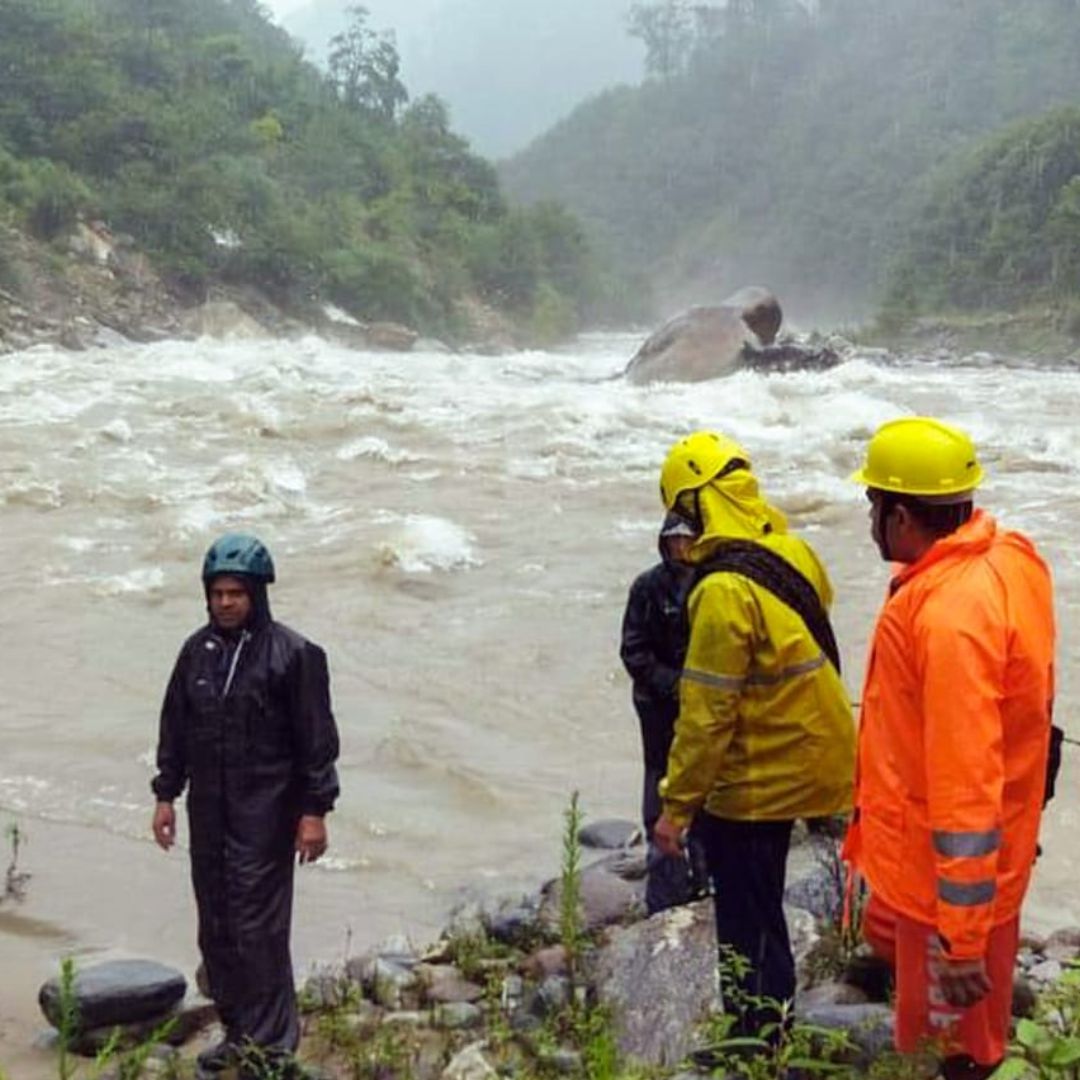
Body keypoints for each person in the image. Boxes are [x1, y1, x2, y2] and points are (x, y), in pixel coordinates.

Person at [844, 417, 1055, 1080]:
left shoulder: (947, 617)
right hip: (987, 859)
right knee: (964, 1028)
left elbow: (965, 781)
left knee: (955, 1052)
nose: (869, 520)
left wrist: (959, 940)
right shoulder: (1011, 558)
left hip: (948, 887)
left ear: (901, 516)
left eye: (873, 505)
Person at [651, 432, 854, 1027]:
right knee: (764, 903)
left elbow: (706, 714)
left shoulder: (721, 590)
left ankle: (757, 1040)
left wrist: (676, 808)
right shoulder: (793, 552)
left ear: (695, 505)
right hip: (814, 754)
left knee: (746, 918)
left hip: (758, 781)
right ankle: (773, 1027)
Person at [151, 533, 340, 1079]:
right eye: (217, 593)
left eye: (236, 593)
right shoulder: (196, 653)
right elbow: (174, 729)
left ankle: (272, 1049)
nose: (226, 602)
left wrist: (314, 811)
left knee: (258, 931)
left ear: (257, 593)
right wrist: (165, 795)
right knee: (217, 927)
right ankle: (238, 1035)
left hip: (267, 815)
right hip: (209, 815)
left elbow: (317, 741)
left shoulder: (295, 655)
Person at [620, 511, 708, 914]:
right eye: (674, 540)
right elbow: (633, 651)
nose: (681, 547)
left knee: (705, 789)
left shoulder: (711, 583)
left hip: (703, 706)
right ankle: (664, 891)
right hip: (658, 708)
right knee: (659, 787)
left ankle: (706, 878)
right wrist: (672, 684)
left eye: (688, 539)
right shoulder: (647, 587)